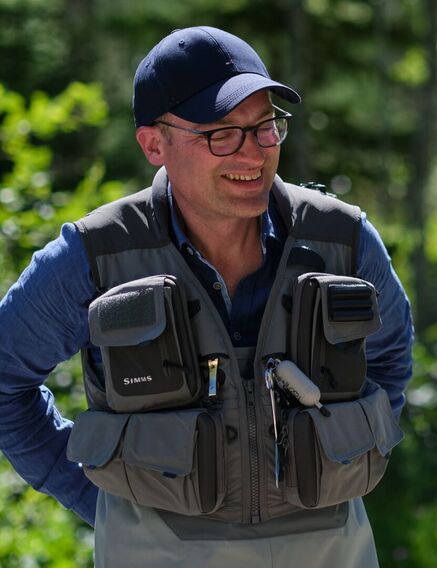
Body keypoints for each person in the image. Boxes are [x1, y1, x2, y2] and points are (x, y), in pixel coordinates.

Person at [0, 27, 413, 567]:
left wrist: (346, 457)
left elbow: (389, 365)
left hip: (331, 549)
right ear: (154, 144)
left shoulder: (345, 239)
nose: (254, 153)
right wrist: (98, 499)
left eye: (266, 127)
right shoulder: (93, 256)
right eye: (222, 133)